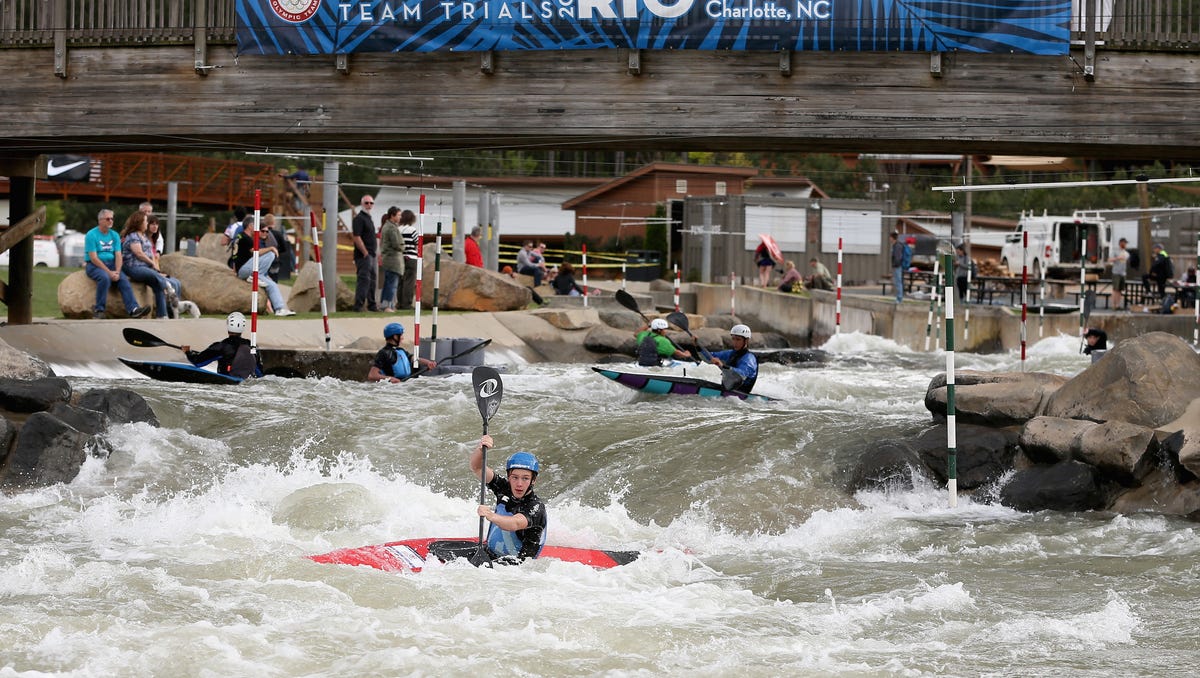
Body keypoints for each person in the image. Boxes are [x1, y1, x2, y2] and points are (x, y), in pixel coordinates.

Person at [468, 434, 547, 562]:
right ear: (509, 477)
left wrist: (490, 515)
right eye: (515, 477)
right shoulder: (504, 488)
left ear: (533, 480)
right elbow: (477, 468)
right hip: (490, 554)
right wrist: (481, 450)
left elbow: (514, 523)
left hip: (517, 568)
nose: (519, 484)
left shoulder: (536, 507)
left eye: (525, 478)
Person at [84, 208, 150, 320]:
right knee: (104, 278)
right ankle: (99, 310)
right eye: (108, 219)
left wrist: (118, 272)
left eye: (112, 219)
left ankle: (133, 309)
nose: (110, 221)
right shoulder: (91, 235)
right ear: (100, 220)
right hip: (95, 265)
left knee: (123, 280)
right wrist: (109, 273)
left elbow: (118, 255)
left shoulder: (114, 235)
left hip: (112, 264)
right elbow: (94, 258)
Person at [233, 215, 295, 316]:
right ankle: (256, 276)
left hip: (243, 269)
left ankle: (279, 309)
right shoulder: (246, 238)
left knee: (272, 285)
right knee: (270, 253)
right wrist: (271, 248)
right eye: (256, 226)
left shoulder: (239, 236)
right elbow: (254, 252)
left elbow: (235, 256)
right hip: (245, 270)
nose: (258, 229)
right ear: (250, 226)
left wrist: (234, 270)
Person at [180, 312, 263, 380]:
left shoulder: (221, 346)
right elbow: (259, 373)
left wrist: (187, 352)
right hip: (248, 383)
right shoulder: (252, 346)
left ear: (228, 325)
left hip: (228, 383)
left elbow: (198, 362)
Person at [120, 211, 170, 319]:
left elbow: (150, 253)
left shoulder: (143, 236)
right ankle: (168, 288)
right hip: (133, 267)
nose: (147, 224)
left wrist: (154, 265)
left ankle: (162, 315)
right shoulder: (133, 236)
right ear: (139, 223)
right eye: (146, 221)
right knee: (160, 279)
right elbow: (138, 253)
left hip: (145, 267)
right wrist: (152, 263)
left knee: (158, 286)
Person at [366, 322, 435, 382]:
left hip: (404, 384)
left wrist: (428, 363)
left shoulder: (401, 350)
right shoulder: (383, 353)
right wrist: (390, 379)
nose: (402, 338)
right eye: (401, 335)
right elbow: (372, 375)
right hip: (391, 387)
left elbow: (414, 358)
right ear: (395, 336)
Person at [707, 324, 759, 393]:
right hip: (728, 391)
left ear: (746, 341)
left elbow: (742, 373)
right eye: (733, 339)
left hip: (739, 397)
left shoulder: (749, 358)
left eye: (738, 339)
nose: (735, 342)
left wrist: (723, 366)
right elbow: (711, 355)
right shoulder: (730, 353)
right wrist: (697, 347)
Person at [352, 195, 379, 312]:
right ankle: (358, 305)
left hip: (371, 254)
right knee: (364, 279)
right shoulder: (359, 218)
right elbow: (357, 237)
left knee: (372, 280)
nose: (369, 205)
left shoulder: (369, 218)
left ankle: (371, 305)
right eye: (367, 203)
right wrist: (365, 252)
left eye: (371, 203)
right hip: (364, 255)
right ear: (362, 204)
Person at [379, 206, 404, 312]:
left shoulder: (387, 226)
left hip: (389, 259)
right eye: (398, 215)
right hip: (393, 260)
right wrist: (403, 246)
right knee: (392, 284)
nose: (400, 217)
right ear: (392, 215)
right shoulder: (391, 228)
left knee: (388, 283)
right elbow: (397, 244)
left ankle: (386, 304)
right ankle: (387, 306)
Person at [397, 209, 420, 309]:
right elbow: (418, 243)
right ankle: (407, 304)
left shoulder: (398, 229)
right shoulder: (412, 230)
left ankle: (400, 302)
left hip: (400, 258)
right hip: (411, 257)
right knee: (409, 282)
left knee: (400, 281)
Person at [1109, 237, 1130, 310]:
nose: (1125, 244)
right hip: (1116, 272)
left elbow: (1126, 260)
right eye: (1124, 243)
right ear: (1121, 243)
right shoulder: (1115, 251)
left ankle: (1118, 304)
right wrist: (1118, 258)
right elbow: (1110, 260)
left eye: (1126, 243)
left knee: (1120, 290)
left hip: (1123, 273)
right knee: (1115, 289)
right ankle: (1114, 305)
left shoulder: (1126, 253)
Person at [889, 232, 906, 303]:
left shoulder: (897, 246)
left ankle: (899, 298)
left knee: (898, 282)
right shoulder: (895, 245)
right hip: (897, 266)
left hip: (898, 266)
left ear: (893, 238)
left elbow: (897, 257)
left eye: (890, 237)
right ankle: (899, 298)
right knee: (897, 282)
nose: (889, 239)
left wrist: (895, 265)